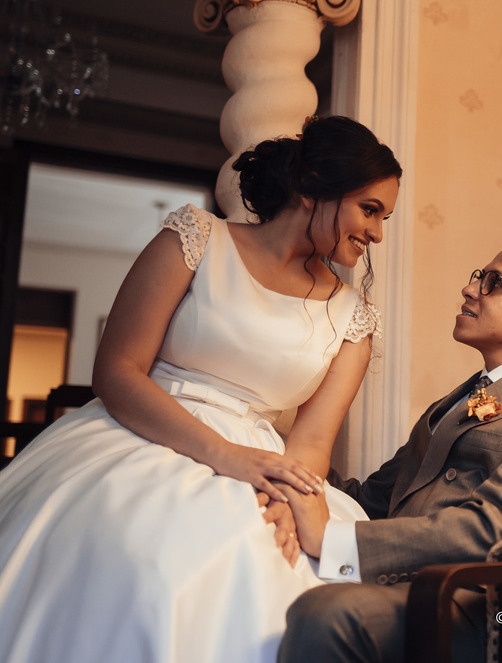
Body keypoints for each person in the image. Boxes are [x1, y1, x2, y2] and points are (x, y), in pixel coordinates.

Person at [0, 116, 402, 663]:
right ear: (312, 189)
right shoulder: (195, 239)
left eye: (384, 217)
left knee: (295, 572)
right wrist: (226, 456)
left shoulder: (354, 317)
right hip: (140, 432)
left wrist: (290, 499)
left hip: (267, 465)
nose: (377, 233)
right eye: (369, 210)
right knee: (151, 559)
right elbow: (117, 370)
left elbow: (311, 442)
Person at [277, 234, 502, 663]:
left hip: (481, 607)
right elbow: (372, 499)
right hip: (403, 585)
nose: (470, 289)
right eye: (479, 277)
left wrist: (335, 540)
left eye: (494, 283)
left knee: (325, 613)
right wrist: (271, 443)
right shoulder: (454, 402)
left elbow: (495, 530)